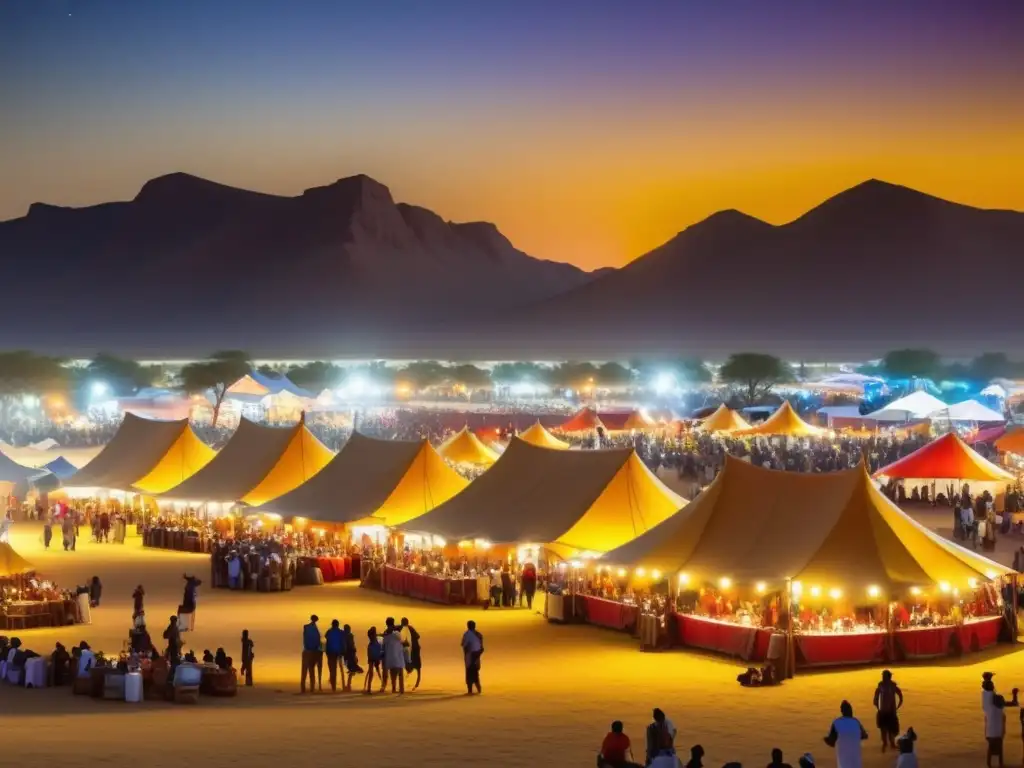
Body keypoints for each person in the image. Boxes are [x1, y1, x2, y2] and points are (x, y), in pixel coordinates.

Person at [824, 700, 868, 768]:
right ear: (851, 711)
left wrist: (825, 739)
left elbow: (831, 742)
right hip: (856, 762)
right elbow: (865, 736)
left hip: (843, 762)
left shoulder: (836, 722)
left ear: (842, 711)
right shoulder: (856, 722)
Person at [873, 669, 904, 752]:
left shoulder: (884, 685)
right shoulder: (885, 685)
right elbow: (900, 695)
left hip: (886, 710)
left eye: (883, 676)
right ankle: (888, 743)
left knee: (887, 729)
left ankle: (888, 743)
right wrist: (899, 705)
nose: (883, 677)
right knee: (886, 729)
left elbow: (900, 695)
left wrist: (876, 705)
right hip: (886, 711)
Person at [382, 617, 405, 693]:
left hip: (390, 655)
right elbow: (402, 640)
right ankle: (401, 689)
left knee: (393, 673)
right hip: (398, 655)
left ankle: (394, 688)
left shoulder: (386, 634)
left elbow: (384, 644)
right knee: (400, 673)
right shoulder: (396, 633)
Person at [461, 619, 483, 695]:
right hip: (477, 655)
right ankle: (479, 689)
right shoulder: (478, 634)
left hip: (470, 656)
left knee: (469, 673)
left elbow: (464, 645)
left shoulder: (467, 635)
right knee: (475, 673)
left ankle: (470, 690)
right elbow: (482, 647)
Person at [400, 617, 422, 689]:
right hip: (414, 648)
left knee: (415, 665)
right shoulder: (408, 628)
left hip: (414, 649)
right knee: (417, 666)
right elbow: (418, 636)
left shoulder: (407, 629)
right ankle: (416, 683)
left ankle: (416, 683)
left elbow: (417, 636)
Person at [301, 614, 321, 693]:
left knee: (304, 670)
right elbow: (317, 641)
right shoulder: (315, 630)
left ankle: (303, 688)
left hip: (306, 651)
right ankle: (312, 688)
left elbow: (305, 638)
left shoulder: (306, 627)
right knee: (311, 670)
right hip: (313, 651)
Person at [324, 619, 344, 692]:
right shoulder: (341, 632)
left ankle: (333, 685)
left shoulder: (329, 631)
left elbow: (326, 637)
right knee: (335, 669)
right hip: (338, 652)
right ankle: (334, 685)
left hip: (330, 652)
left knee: (332, 669)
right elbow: (342, 641)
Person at [363, 626, 383, 694]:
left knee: (372, 672)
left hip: (373, 654)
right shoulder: (374, 638)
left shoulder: (372, 637)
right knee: (374, 672)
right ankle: (369, 687)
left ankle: (368, 687)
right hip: (374, 654)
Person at [342, 623, 360, 692]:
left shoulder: (344, 636)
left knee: (351, 670)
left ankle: (348, 685)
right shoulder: (349, 636)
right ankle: (348, 685)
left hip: (347, 655)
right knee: (351, 670)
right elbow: (352, 645)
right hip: (350, 655)